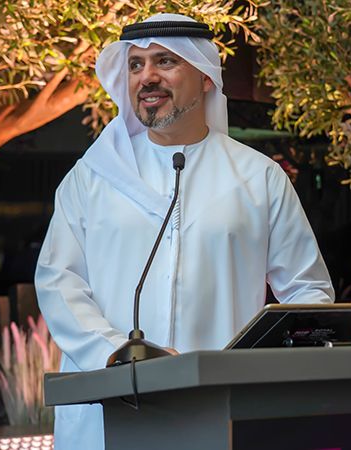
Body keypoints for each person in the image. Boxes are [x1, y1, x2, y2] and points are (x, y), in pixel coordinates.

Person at [35, 13, 334, 450]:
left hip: (221, 409)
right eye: (135, 65)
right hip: (108, 409)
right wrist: (116, 353)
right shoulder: (91, 177)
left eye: (165, 61)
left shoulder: (258, 177)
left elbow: (307, 292)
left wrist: (273, 368)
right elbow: (59, 283)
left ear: (206, 77)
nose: (147, 77)